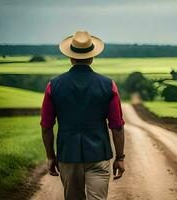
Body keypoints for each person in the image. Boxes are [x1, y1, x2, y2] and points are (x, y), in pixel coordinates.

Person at [40, 30, 125, 200]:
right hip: (98, 155)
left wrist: (51, 156)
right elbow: (117, 126)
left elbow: (46, 126)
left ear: (70, 57)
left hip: (68, 155)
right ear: (92, 57)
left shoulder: (53, 86)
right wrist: (120, 158)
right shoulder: (108, 85)